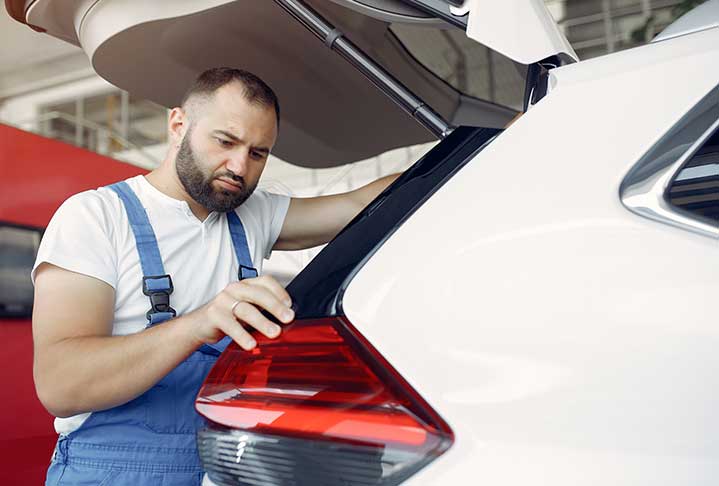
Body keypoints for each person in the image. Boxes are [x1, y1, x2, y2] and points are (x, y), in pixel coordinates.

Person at [31, 67, 399, 486]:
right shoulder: (96, 216)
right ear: (178, 125)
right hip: (111, 472)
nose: (239, 166)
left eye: (258, 153)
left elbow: (363, 204)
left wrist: (469, 153)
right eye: (225, 141)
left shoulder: (253, 216)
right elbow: (60, 383)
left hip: (221, 469)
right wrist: (199, 324)